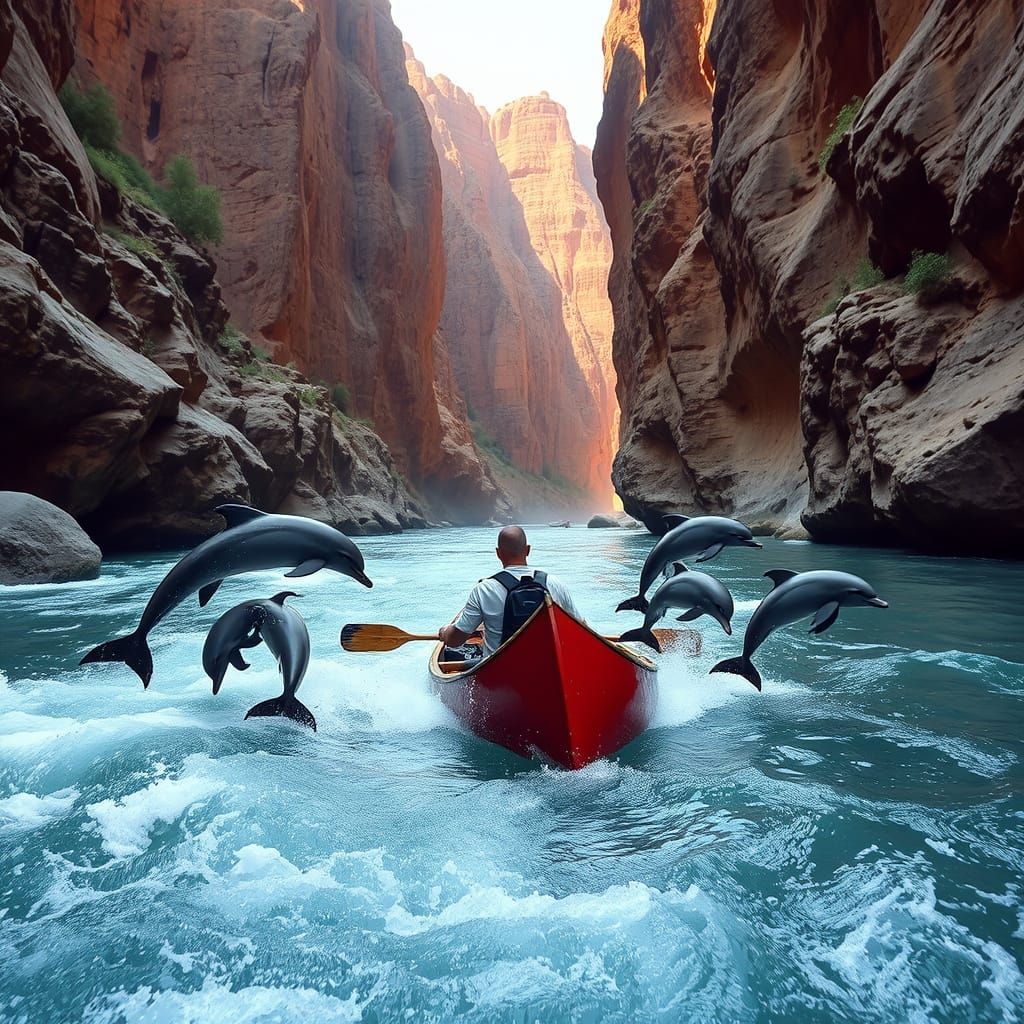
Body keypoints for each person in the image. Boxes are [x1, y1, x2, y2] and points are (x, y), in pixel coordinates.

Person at [438, 526, 583, 656]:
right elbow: (581, 629)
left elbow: (456, 640)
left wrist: (445, 633)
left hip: (500, 672)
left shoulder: (484, 590)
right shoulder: (555, 583)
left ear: (498, 553)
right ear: (528, 550)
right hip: (545, 664)